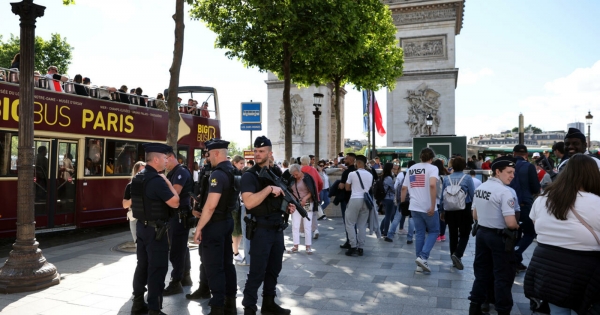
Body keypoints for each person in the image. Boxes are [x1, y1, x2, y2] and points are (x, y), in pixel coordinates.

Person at [524, 154, 600, 315]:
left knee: (558, 310)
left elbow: (535, 224)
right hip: (584, 269)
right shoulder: (595, 202)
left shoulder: (544, 198)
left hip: (547, 265)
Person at [240, 136, 295, 315]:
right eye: (255, 151)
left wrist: (288, 206)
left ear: (270, 153)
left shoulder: (276, 173)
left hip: (277, 228)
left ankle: (269, 304)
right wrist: (269, 189)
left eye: (261, 151)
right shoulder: (249, 175)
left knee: (274, 269)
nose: (257, 154)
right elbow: (249, 203)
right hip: (261, 230)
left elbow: (278, 201)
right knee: (256, 272)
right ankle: (249, 308)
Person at [130, 143, 180, 315]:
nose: (167, 160)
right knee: (157, 269)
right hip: (156, 232)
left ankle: (137, 303)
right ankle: (154, 309)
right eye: (165, 158)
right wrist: (166, 180)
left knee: (142, 266)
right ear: (156, 159)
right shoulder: (157, 180)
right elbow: (175, 202)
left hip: (141, 228)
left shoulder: (137, 178)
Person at [468, 157, 520, 315]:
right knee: (502, 276)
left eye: (513, 173)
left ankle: (475, 306)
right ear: (498, 172)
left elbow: (475, 215)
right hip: (499, 237)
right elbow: (510, 223)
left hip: (482, 234)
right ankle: (503, 310)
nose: (512, 176)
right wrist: (518, 226)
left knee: (481, 273)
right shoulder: (505, 192)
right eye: (509, 172)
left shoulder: (481, 187)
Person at [192, 139, 238, 314]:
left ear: (217, 153)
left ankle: (217, 306)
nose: (208, 157)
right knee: (227, 264)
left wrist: (198, 228)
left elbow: (211, 206)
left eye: (209, 154)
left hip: (215, 225)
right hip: (227, 221)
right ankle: (230, 302)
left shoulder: (217, 174)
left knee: (213, 266)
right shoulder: (233, 170)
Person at [162, 148, 195, 296]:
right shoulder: (174, 171)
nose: (164, 164)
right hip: (177, 215)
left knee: (176, 249)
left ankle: (176, 282)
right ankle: (185, 277)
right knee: (182, 247)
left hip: (179, 215)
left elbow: (174, 193)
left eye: (165, 160)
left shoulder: (180, 172)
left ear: (170, 157)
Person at [401, 148, 439, 273]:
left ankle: (419, 262)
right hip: (427, 206)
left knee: (420, 233)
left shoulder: (411, 169)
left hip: (414, 206)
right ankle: (423, 257)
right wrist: (433, 206)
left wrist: (402, 203)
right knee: (434, 231)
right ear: (431, 158)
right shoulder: (433, 168)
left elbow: (404, 188)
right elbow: (433, 185)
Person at [509, 144, 541, 273]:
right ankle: (516, 255)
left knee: (514, 232)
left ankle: (515, 260)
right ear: (526, 155)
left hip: (509, 205)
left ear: (514, 154)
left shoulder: (508, 167)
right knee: (530, 232)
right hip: (524, 204)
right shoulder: (529, 167)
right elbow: (535, 188)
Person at [440, 156, 475, 270]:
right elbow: (473, 194)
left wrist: (442, 211)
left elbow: (442, 197)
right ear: (464, 166)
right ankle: (458, 254)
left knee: (453, 234)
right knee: (465, 233)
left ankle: (453, 258)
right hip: (464, 209)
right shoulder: (467, 178)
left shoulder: (446, 179)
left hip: (450, 209)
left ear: (452, 166)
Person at [343, 155, 373, 256]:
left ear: (359, 163)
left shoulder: (352, 174)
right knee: (362, 225)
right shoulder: (370, 175)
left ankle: (352, 245)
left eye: (356, 162)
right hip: (366, 200)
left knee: (350, 223)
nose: (355, 164)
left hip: (355, 199)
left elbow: (347, 188)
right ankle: (361, 247)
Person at [287, 164, 318, 254]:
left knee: (307, 225)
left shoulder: (307, 178)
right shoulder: (292, 179)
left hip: (307, 202)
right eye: (293, 175)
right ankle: (295, 245)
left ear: (300, 170)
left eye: (296, 174)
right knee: (295, 225)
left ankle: (308, 246)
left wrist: (305, 198)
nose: (295, 176)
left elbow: (312, 191)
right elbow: (289, 191)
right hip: (295, 203)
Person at [122, 161, 146, 243]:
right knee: (138, 244)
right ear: (135, 172)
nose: (142, 174)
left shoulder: (150, 184)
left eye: (144, 171)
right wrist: (135, 199)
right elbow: (125, 205)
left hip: (148, 218)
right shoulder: (130, 185)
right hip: (135, 218)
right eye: (140, 171)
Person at [339, 153, 357, 249]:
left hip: (346, 199)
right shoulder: (357, 171)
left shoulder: (347, 173)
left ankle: (350, 241)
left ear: (350, 160)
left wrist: (338, 185)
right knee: (355, 222)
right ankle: (354, 239)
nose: (344, 160)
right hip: (357, 199)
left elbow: (343, 186)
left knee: (348, 222)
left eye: (346, 159)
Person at [231, 155, 246, 263]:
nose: (243, 165)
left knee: (239, 230)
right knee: (235, 231)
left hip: (240, 205)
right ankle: (235, 252)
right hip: (235, 206)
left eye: (243, 163)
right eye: (241, 163)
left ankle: (236, 251)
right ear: (235, 163)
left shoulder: (239, 173)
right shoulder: (232, 173)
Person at [433, 159, 449, 242]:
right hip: (445, 201)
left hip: (436, 201)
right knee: (443, 218)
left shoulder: (435, 178)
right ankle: (442, 235)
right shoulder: (445, 177)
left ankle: (437, 235)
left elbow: (435, 190)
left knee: (436, 219)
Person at [379, 163, 396, 237]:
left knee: (388, 215)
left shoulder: (383, 177)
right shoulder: (389, 178)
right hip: (389, 198)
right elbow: (393, 189)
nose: (393, 169)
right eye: (392, 168)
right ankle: (385, 231)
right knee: (388, 216)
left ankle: (381, 229)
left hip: (384, 198)